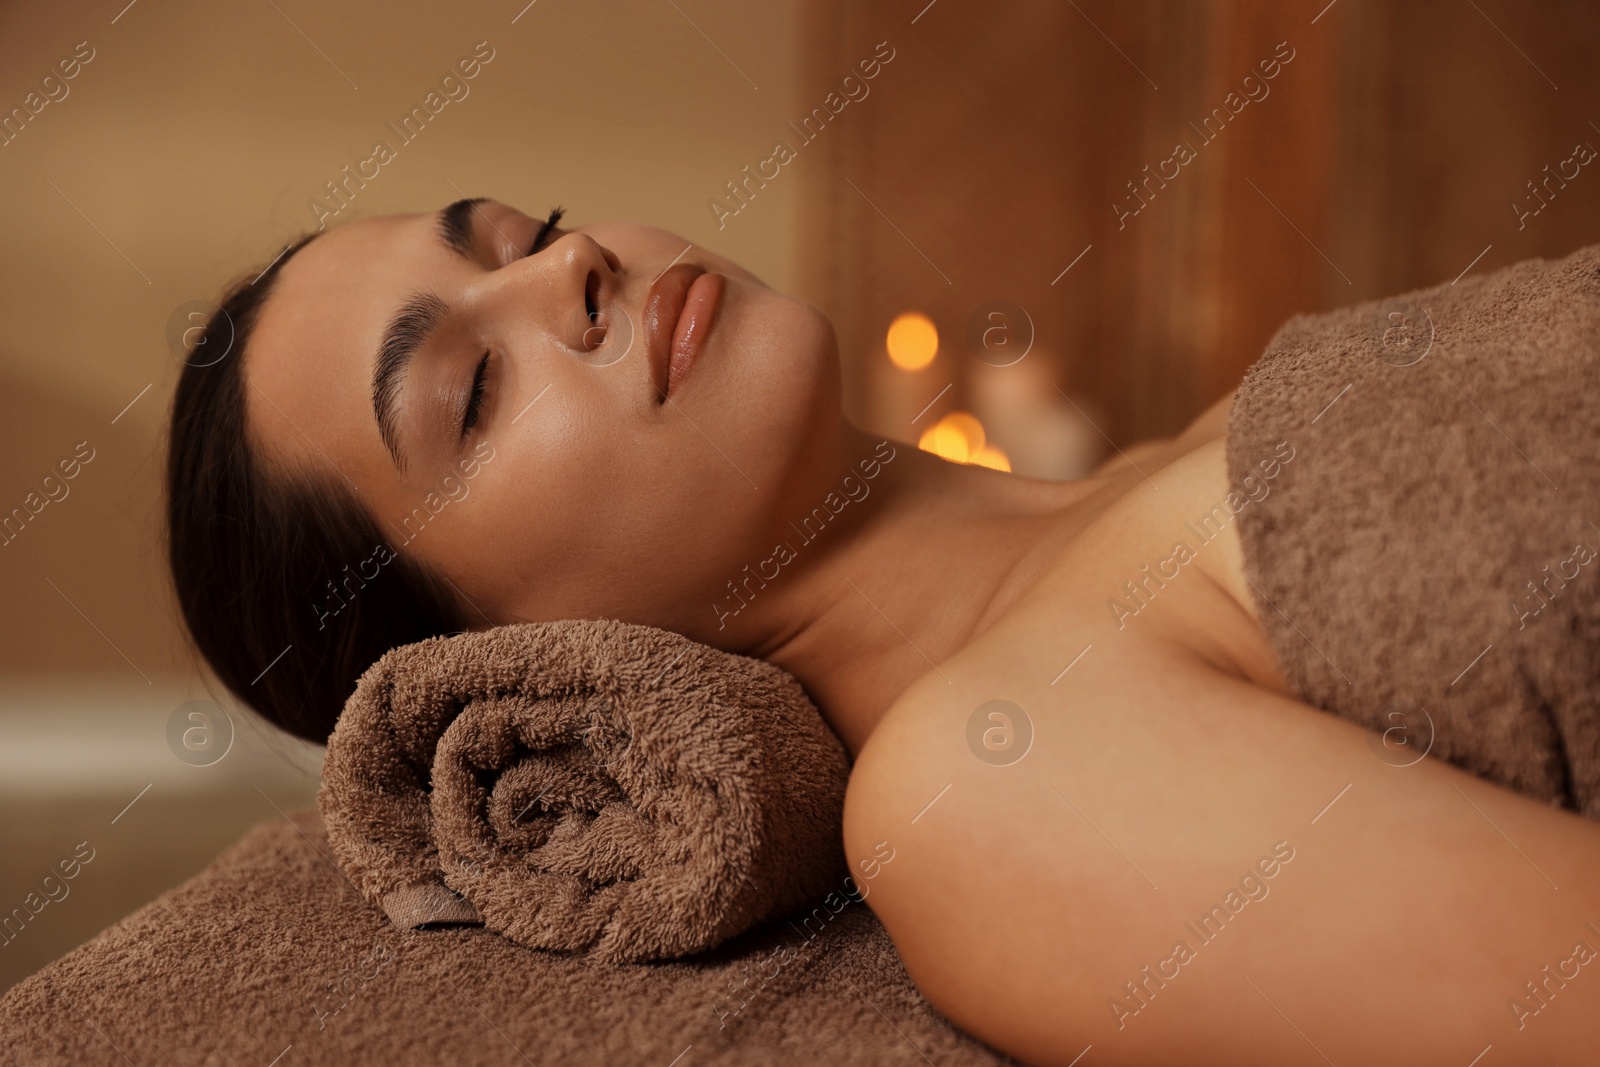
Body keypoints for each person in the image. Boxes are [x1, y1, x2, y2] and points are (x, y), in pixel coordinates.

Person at [166, 198, 1600, 1065]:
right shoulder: (992, 777)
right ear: (500, 663)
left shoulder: (1189, 448)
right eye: (471, 392)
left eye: (527, 234)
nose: (574, 267)